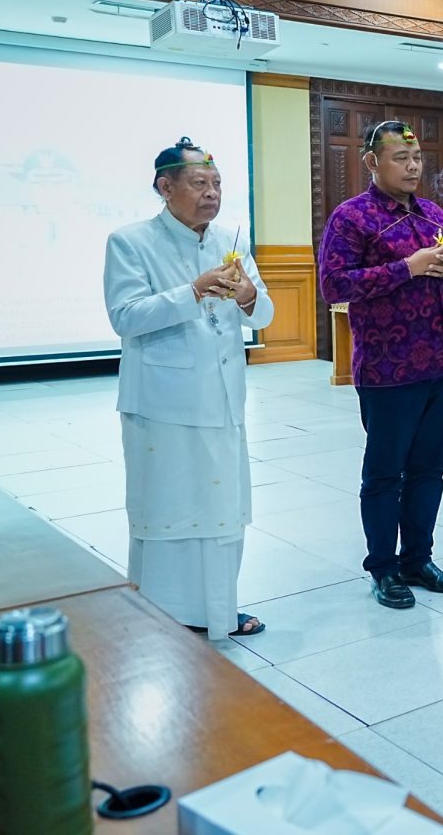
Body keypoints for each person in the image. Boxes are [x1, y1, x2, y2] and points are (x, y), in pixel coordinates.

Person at [105, 137, 274, 639]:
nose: (212, 193)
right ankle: (164, 613)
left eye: (217, 183)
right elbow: (125, 317)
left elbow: (262, 314)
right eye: (199, 183)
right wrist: (193, 291)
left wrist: (247, 294)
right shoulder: (131, 241)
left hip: (223, 400)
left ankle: (218, 611)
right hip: (162, 404)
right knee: (171, 509)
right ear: (165, 187)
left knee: (222, 510)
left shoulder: (231, 239)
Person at [318, 120, 443, 609]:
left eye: (417, 159)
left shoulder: (435, 216)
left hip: (442, 362)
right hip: (388, 368)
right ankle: (384, 568)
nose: (412, 167)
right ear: (372, 162)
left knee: (429, 469)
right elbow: (334, 285)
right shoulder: (353, 217)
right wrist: (407, 267)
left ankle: (418, 559)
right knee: (386, 473)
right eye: (400, 158)